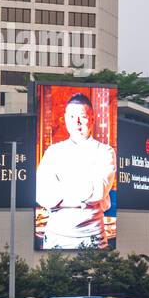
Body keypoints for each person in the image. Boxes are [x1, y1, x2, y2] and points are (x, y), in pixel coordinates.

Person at [36, 93, 116, 250]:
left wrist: (60, 194)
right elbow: (42, 195)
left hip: (92, 238)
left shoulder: (105, 151)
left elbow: (98, 192)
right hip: (55, 237)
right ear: (65, 119)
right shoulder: (53, 151)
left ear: (92, 119)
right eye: (72, 117)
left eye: (82, 116)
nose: (77, 122)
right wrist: (84, 199)